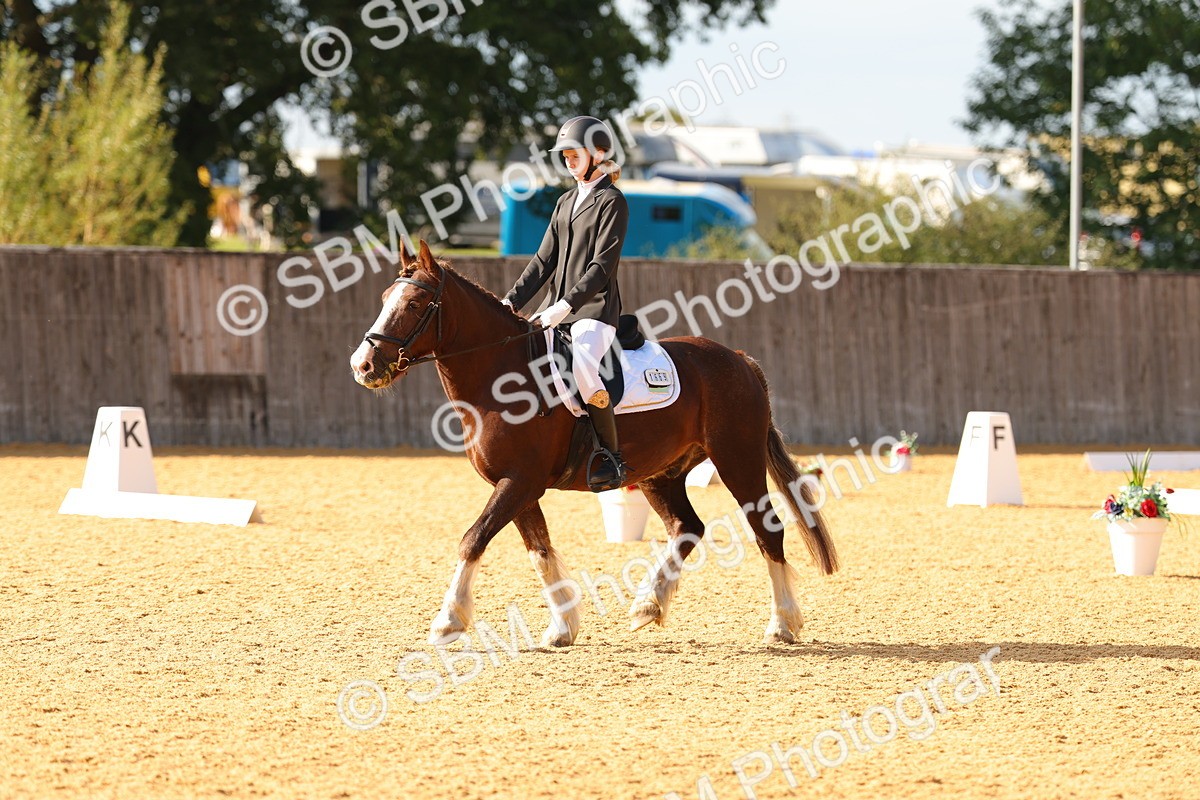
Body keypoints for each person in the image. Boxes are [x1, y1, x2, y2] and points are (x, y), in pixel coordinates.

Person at [502, 115, 630, 492]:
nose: (568, 162)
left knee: (586, 369)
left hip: (594, 312)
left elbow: (602, 267)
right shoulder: (566, 201)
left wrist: (567, 305)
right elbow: (543, 261)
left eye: (574, 154)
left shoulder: (613, 202)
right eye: (565, 156)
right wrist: (511, 300)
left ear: (598, 153)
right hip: (554, 308)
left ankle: (611, 456)